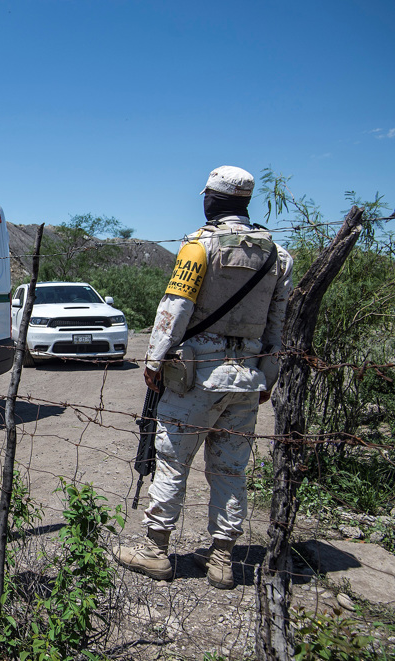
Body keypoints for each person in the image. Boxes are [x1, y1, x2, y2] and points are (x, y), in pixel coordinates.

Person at [116, 166, 294, 589]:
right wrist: (267, 376)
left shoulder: (199, 246)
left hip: (195, 376)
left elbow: (174, 308)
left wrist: (154, 360)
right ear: (246, 203)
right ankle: (222, 560)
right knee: (231, 470)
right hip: (247, 379)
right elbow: (278, 324)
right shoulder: (277, 255)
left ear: (212, 200)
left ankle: (155, 551)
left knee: (173, 461)